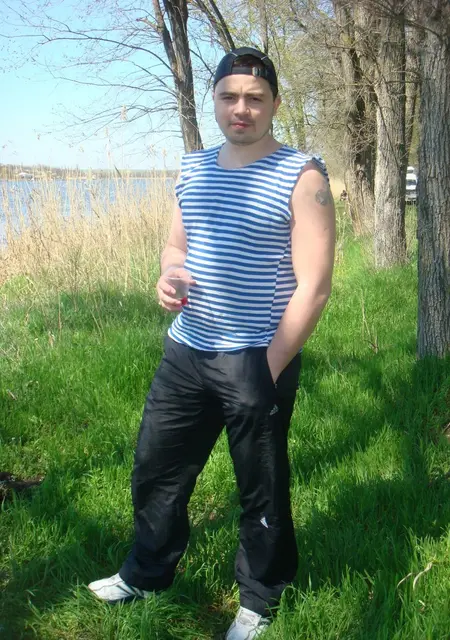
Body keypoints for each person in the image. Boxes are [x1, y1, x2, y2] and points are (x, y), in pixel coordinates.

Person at [88, 46, 336, 639]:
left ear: (274, 104)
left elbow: (315, 286)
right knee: (157, 469)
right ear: (215, 101)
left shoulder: (302, 175)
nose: (240, 109)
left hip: (256, 356)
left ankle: (259, 599)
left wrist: (268, 368)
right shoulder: (193, 168)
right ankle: (146, 574)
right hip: (186, 351)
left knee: (261, 486)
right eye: (229, 97)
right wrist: (168, 277)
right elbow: (177, 247)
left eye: (254, 98)